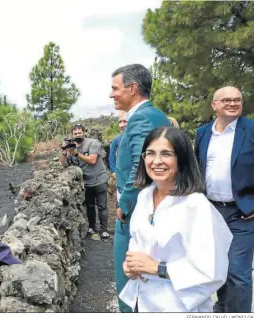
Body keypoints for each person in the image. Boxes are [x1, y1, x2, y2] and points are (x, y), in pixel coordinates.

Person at [119, 127, 232, 312]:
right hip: (145, 302)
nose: (157, 161)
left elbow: (211, 270)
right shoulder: (145, 196)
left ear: (181, 159)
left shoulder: (196, 206)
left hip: (179, 305)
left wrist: (158, 268)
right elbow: (137, 240)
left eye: (166, 154)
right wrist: (131, 264)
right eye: (150, 153)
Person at [109, 63, 171, 312]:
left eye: (115, 88)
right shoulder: (153, 115)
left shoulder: (143, 118)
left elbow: (141, 165)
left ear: (132, 88)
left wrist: (124, 205)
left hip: (137, 214)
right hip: (150, 209)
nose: (111, 94)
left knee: (130, 280)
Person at [194, 86, 254, 313]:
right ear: (214, 105)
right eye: (227, 100)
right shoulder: (203, 133)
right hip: (210, 211)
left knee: (238, 272)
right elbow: (198, 169)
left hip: (243, 213)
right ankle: (222, 309)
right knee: (219, 267)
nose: (233, 104)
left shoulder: (251, 130)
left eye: (237, 100)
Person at [60, 124, 110, 239]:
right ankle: (92, 227)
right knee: (90, 206)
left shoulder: (93, 143)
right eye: (75, 133)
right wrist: (64, 153)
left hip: (99, 179)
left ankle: (104, 229)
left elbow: (92, 160)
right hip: (86, 182)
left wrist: (76, 154)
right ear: (72, 135)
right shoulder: (71, 148)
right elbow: (64, 165)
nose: (78, 135)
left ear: (84, 133)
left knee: (102, 206)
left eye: (79, 133)